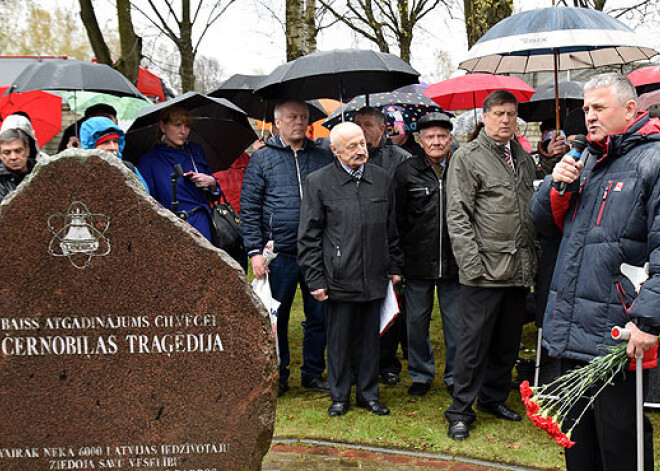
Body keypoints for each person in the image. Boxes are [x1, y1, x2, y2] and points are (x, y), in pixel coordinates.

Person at [532, 73, 658, 471]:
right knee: (578, 444)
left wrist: (647, 319)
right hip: (572, 326)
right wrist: (556, 185)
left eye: (599, 108)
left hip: (618, 333)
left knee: (622, 443)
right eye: (586, 108)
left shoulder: (653, 161)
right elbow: (541, 224)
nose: (588, 116)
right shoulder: (583, 158)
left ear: (629, 109)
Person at [445, 90, 538, 440]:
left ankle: (493, 398)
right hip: (483, 271)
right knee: (473, 346)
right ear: (485, 117)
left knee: (507, 343)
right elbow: (458, 214)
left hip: (518, 269)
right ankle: (459, 410)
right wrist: (471, 265)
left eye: (511, 114)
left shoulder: (524, 159)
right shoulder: (467, 157)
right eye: (499, 113)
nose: (505, 120)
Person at [298, 122, 403, 417]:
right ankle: (340, 395)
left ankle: (368, 395)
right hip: (339, 276)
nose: (360, 151)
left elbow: (391, 227)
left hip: (374, 274)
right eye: (352, 147)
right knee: (340, 340)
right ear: (334, 150)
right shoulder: (318, 182)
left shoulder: (382, 179)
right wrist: (315, 279)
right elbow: (309, 236)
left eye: (362, 144)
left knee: (371, 339)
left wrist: (394, 265)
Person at [241, 100, 333, 396]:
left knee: (318, 316)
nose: (299, 122)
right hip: (278, 253)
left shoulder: (321, 156)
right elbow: (250, 207)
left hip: (317, 251)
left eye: (304, 118)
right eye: (292, 117)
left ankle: (313, 372)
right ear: (277, 123)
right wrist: (255, 251)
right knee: (274, 317)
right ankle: (277, 374)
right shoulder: (262, 159)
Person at [393, 112, 461, 397]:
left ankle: (456, 376)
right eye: (430, 137)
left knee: (456, 324)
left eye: (442, 136)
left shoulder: (460, 166)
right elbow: (396, 219)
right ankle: (420, 375)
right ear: (420, 141)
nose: (436, 142)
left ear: (450, 139)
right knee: (416, 323)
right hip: (417, 262)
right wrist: (396, 260)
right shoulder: (406, 171)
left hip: (455, 262)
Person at [354, 106, 410, 386]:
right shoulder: (350, 156)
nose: (362, 130)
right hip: (357, 244)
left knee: (390, 305)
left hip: (391, 240)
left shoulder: (400, 159)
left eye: (368, 124)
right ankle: (361, 361)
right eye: (358, 124)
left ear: (382, 128)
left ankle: (388, 363)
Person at [138, 107, 219, 242]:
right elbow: (148, 203)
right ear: (163, 127)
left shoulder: (195, 152)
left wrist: (211, 183)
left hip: (201, 223)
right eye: (177, 125)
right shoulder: (149, 160)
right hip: (170, 229)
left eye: (187, 126)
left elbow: (214, 193)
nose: (183, 131)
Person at [79, 116, 149, 193]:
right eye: (105, 142)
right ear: (90, 147)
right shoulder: (78, 175)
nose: (113, 147)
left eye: (115, 141)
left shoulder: (129, 169)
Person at [0, 128, 35, 203]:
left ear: (27, 150)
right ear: (0, 155)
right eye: (7, 153)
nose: (13, 157)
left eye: (18, 151)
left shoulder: (43, 173)